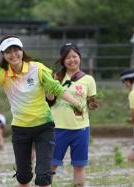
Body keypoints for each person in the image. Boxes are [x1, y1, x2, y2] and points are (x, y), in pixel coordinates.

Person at [0, 35, 84, 187]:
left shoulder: (37, 68)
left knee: (44, 177)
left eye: (16, 50)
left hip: (44, 127)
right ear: (4, 55)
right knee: (23, 177)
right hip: (20, 129)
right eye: (8, 52)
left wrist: (76, 103)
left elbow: (55, 88)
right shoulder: (2, 73)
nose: (13, 55)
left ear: (22, 50)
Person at [46, 43, 98, 186]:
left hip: (81, 129)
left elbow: (92, 102)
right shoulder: (55, 77)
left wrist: (93, 104)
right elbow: (49, 101)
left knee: (79, 165)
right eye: (68, 57)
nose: (72, 60)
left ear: (79, 57)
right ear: (63, 60)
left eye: (74, 56)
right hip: (58, 128)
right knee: (51, 165)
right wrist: (50, 89)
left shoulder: (88, 80)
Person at [120, 69, 134, 162]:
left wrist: (132, 120)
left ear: (129, 81)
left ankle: (129, 164)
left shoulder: (133, 93)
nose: (125, 86)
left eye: (125, 83)